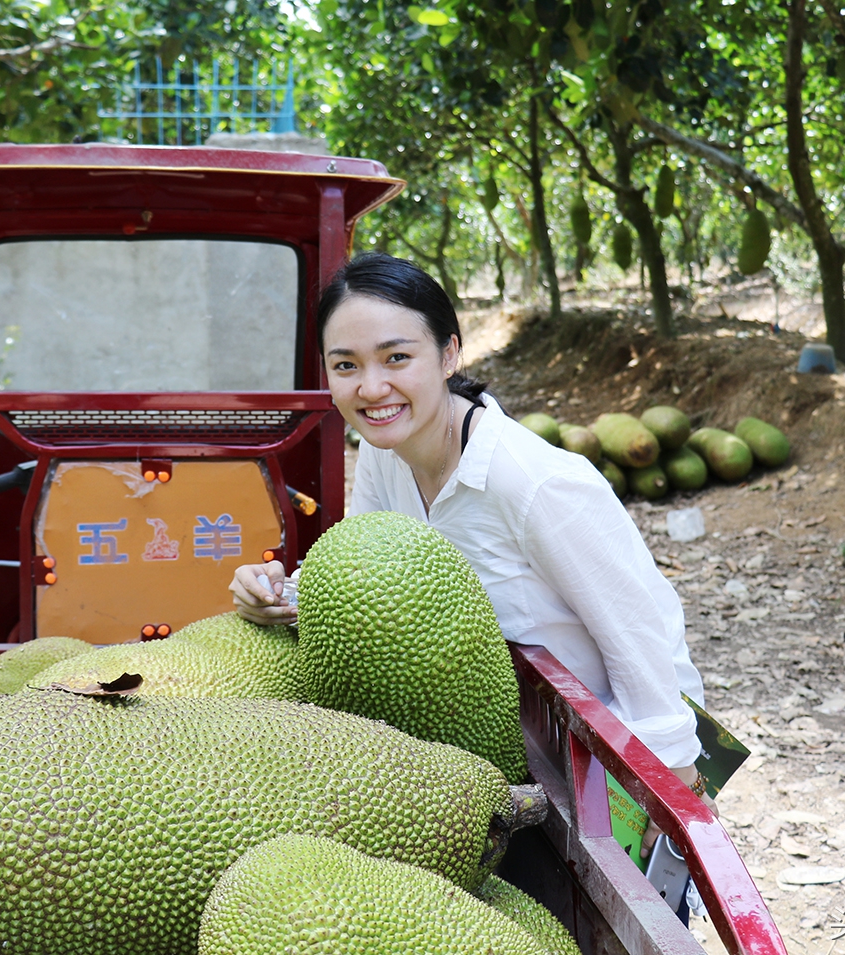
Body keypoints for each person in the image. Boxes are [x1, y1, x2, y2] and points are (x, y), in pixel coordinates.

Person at [229, 252, 709, 855]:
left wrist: (666, 810)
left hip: (588, 762)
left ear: (450, 354)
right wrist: (279, 594)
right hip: (483, 757)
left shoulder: (535, 483)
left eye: (397, 357)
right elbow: (362, 577)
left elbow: (643, 642)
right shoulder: (384, 451)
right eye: (345, 365)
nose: (371, 388)